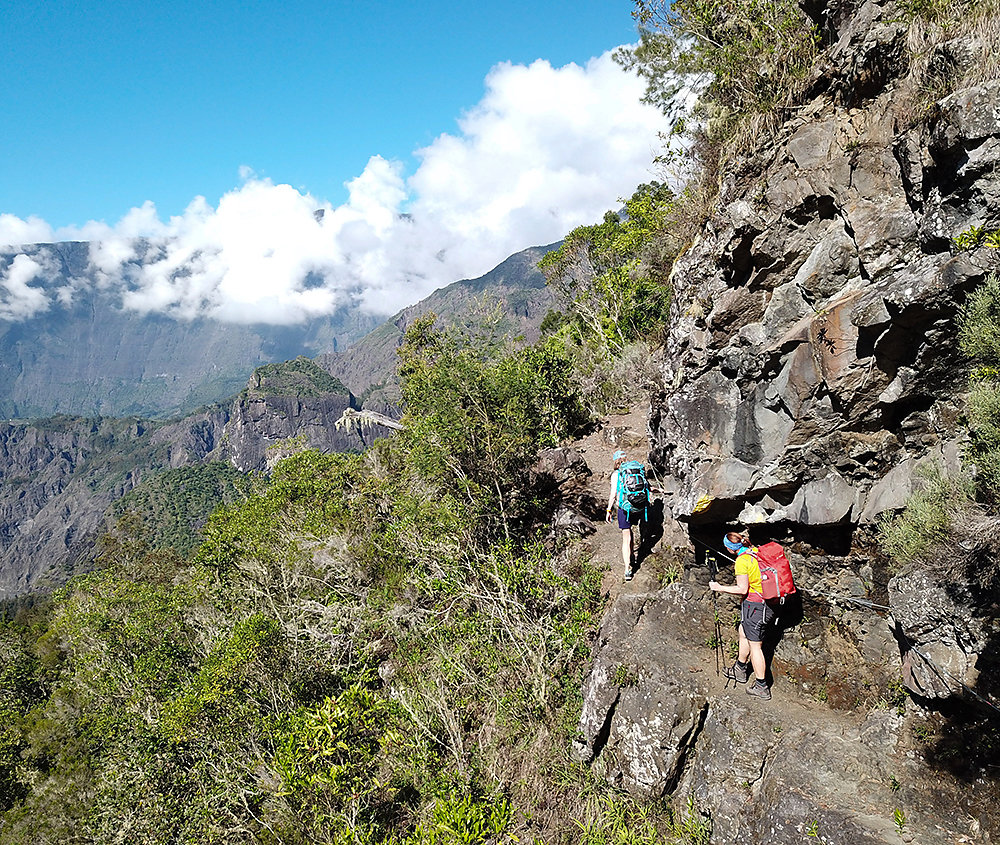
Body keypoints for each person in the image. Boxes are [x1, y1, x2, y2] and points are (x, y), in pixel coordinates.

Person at [708, 530, 775, 700]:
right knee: (743, 632)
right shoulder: (755, 551)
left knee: (755, 646)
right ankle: (740, 668)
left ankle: (762, 686)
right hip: (763, 604)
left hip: (756, 605)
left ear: (730, 549)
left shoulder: (742, 561)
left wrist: (720, 587)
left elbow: (742, 589)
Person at [605, 450, 646, 582]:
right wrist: (661, 490)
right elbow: (648, 487)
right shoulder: (635, 472)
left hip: (624, 508)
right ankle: (632, 557)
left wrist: (608, 510)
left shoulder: (616, 474)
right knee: (631, 533)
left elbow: (613, 494)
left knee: (626, 536)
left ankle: (627, 568)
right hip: (637, 506)